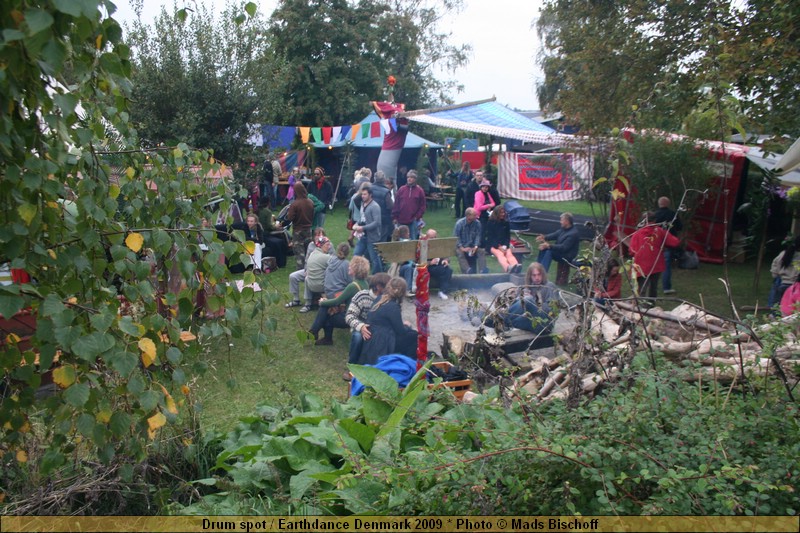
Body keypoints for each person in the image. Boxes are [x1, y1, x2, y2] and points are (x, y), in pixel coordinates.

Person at [309, 255, 369, 346]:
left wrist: (322, 302)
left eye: (351, 266)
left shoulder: (353, 286)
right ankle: (314, 332)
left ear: (355, 270)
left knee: (325, 314)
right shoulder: (365, 283)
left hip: (351, 318)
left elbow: (337, 301)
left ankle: (320, 335)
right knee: (326, 308)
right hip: (361, 316)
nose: (348, 267)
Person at [359, 277, 418, 365]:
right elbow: (400, 331)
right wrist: (407, 326)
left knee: (409, 332)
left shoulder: (379, 299)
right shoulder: (393, 306)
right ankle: (409, 363)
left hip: (372, 338)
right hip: (383, 342)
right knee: (413, 335)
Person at [487, 262, 558, 334]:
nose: (537, 278)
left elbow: (553, 311)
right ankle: (499, 323)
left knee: (528, 300)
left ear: (543, 274)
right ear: (530, 276)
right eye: (534, 275)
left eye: (539, 274)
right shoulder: (528, 286)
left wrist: (532, 303)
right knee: (513, 320)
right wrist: (516, 298)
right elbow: (515, 309)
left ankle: (498, 318)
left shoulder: (549, 286)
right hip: (533, 322)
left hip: (545, 325)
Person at [628, 212, 681, 300]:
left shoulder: (637, 233)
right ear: (655, 220)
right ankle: (651, 307)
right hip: (656, 264)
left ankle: (640, 307)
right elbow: (675, 242)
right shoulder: (660, 231)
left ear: (643, 221)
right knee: (653, 288)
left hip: (640, 264)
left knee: (641, 288)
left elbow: (631, 250)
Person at [345, 272, 391, 371]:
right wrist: (360, 326)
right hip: (360, 326)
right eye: (388, 287)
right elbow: (349, 315)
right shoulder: (362, 296)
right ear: (378, 286)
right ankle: (352, 366)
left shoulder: (388, 299)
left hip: (379, 328)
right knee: (358, 337)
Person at [285, 228, 327, 308]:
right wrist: (306, 269)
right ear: (314, 237)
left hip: (321, 273)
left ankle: (308, 303)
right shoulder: (311, 245)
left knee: (308, 278)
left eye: (322, 235)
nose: (320, 237)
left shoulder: (328, 245)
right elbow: (307, 260)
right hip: (309, 270)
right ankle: (296, 299)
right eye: (318, 235)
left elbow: (333, 262)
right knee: (293, 276)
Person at [652, 197, 683, 295]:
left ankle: (651, 286)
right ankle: (666, 287)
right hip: (667, 244)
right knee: (666, 266)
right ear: (668, 204)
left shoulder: (654, 215)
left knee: (652, 265)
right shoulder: (673, 214)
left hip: (655, 243)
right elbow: (679, 227)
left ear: (659, 204)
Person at [352, 184, 384, 274]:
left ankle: (378, 277)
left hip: (372, 237)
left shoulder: (375, 206)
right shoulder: (362, 204)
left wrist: (363, 228)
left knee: (375, 259)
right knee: (356, 255)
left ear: (370, 195)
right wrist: (357, 224)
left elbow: (377, 222)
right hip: (363, 236)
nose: (362, 196)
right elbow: (362, 218)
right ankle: (355, 274)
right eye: (362, 194)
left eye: (365, 194)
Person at [285, 182, 314, 270]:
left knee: (299, 250)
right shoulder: (310, 202)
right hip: (308, 229)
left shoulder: (295, 204)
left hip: (298, 230)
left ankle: (300, 270)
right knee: (308, 249)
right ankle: (310, 267)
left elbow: (290, 218)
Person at [300, 236, 334, 313]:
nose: (329, 247)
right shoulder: (326, 257)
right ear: (321, 245)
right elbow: (337, 266)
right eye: (327, 245)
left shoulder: (312, 254)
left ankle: (308, 303)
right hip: (321, 286)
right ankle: (335, 303)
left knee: (307, 278)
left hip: (310, 285)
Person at [485, 204, 521, 274]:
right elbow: (491, 237)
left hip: (504, 245)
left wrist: (505, 246)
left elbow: (507, 236)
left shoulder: (506, 223)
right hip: (493, 245)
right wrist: (499, 247)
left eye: (503, 212)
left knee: (509, 254)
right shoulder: (491, 222)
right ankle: (507, 268)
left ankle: (516, 266)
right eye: (501, 212)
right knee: (500, 254)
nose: (503, 214)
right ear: (497, 213)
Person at [392, 169, 427, 240]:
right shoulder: (401, 189)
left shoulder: (419, 191)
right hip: (401, 220)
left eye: (411, 177)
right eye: (408, 177)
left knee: (413, 240)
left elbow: (422, 206)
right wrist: (395, 216)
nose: (409, 179)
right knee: (400, 239)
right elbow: (396, 204)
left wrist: (417, 217)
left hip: (413, 221)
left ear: (415, 179)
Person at [769, 235, 800, 309]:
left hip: (782, 283)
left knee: (778, 308)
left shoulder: (784, 253)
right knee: (791, 309)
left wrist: (776, 274)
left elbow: (775, 263)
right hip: (794, 287)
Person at [454, 207, 487, 274]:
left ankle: (483, 270)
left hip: (472, 245)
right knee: (460, 253)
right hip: (461, 246)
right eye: (474, 215)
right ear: (468, 215)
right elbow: (456, 238)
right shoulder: (459, 224)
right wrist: (462, 248)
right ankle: (467, 270)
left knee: (481, 251)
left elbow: (478, 236)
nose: (476, 216)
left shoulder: (477, 223)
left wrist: (475, 246)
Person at [422, 229, 453, 300]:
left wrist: (446, 260)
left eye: (435, 237)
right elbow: (418, 262)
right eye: (431, 238)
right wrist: (430, 263)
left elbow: (446, 255)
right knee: (444, 270)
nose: (434, 239)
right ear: (427, 237)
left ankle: (442, 291)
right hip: (428, 267)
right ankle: (442, 291)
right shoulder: (423, 246)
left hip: (439, 266)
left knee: (448, 270)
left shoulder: (439, 244)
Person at [371, 172, 394, 242]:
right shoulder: (386, 192)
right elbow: (390, 206)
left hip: (370, 217)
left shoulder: (369, 188)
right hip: (383, 219)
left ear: (374, 178)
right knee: (382, 239)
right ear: (384, 180)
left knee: (371, 238)